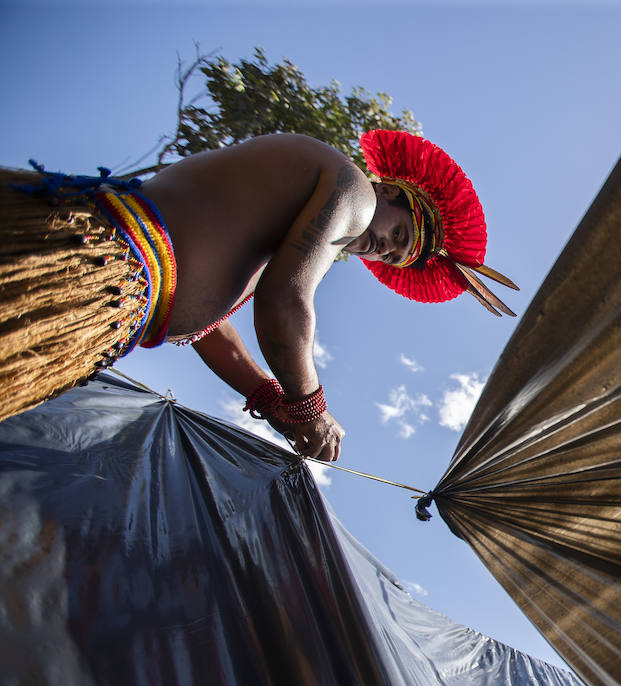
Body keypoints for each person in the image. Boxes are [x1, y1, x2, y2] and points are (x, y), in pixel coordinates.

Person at [0, 130, 517, 461]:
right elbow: (284, 306)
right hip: (89, 263)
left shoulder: (272, 240)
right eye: (399, 234)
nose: (382, 248)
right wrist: (311, 406)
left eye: (391, 257)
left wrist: (270, 398)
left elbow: (204, 329)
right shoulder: (352, 190)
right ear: (388, 192)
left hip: (102, 301)